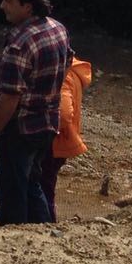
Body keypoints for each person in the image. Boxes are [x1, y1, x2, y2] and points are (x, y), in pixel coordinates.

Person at [0, 0, 72, 225]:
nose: (1, 6)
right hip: (47, 123)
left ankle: (14, 242)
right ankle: (43, 238)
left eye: (8, 1)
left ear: (27, 6)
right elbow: (68, 61)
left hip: (22, 128)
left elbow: (10, 96)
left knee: (11, 191)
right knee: (31, 184)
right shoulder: (57, 28)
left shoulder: (19, 45)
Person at [42, 56, 93, 221]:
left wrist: (42, 129)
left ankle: (44, 226)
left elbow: (63, 115)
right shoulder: (73, 70)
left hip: (53, 143)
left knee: (43, 189)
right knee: (47, 187)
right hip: (62, 142)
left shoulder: (64, 75)